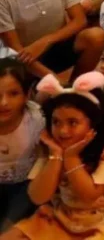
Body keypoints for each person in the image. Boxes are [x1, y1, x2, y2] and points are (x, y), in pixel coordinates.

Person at [5, 72, 104, 240]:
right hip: (65, 215)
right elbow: (38, 197)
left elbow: (89, 196)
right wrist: (56, 156)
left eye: (73, 123)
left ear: (94, 122)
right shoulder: (52, 145)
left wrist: (71, 158)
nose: (63, 131)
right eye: (56, 122)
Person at [0, 59, 43, 227]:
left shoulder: (36, 119)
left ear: (26, 95)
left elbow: (44, 157)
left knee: (8, 230)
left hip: (24, 185)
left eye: (13, 94)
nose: (4, 103)